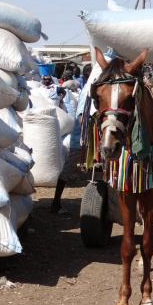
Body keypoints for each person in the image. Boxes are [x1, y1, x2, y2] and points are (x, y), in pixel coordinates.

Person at [50, 80, 88, 214]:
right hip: (81, 141)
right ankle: (55, 203)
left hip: (91, 140)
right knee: (69, 169)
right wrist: (86, 137)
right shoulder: (87, 91)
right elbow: (80, 116)